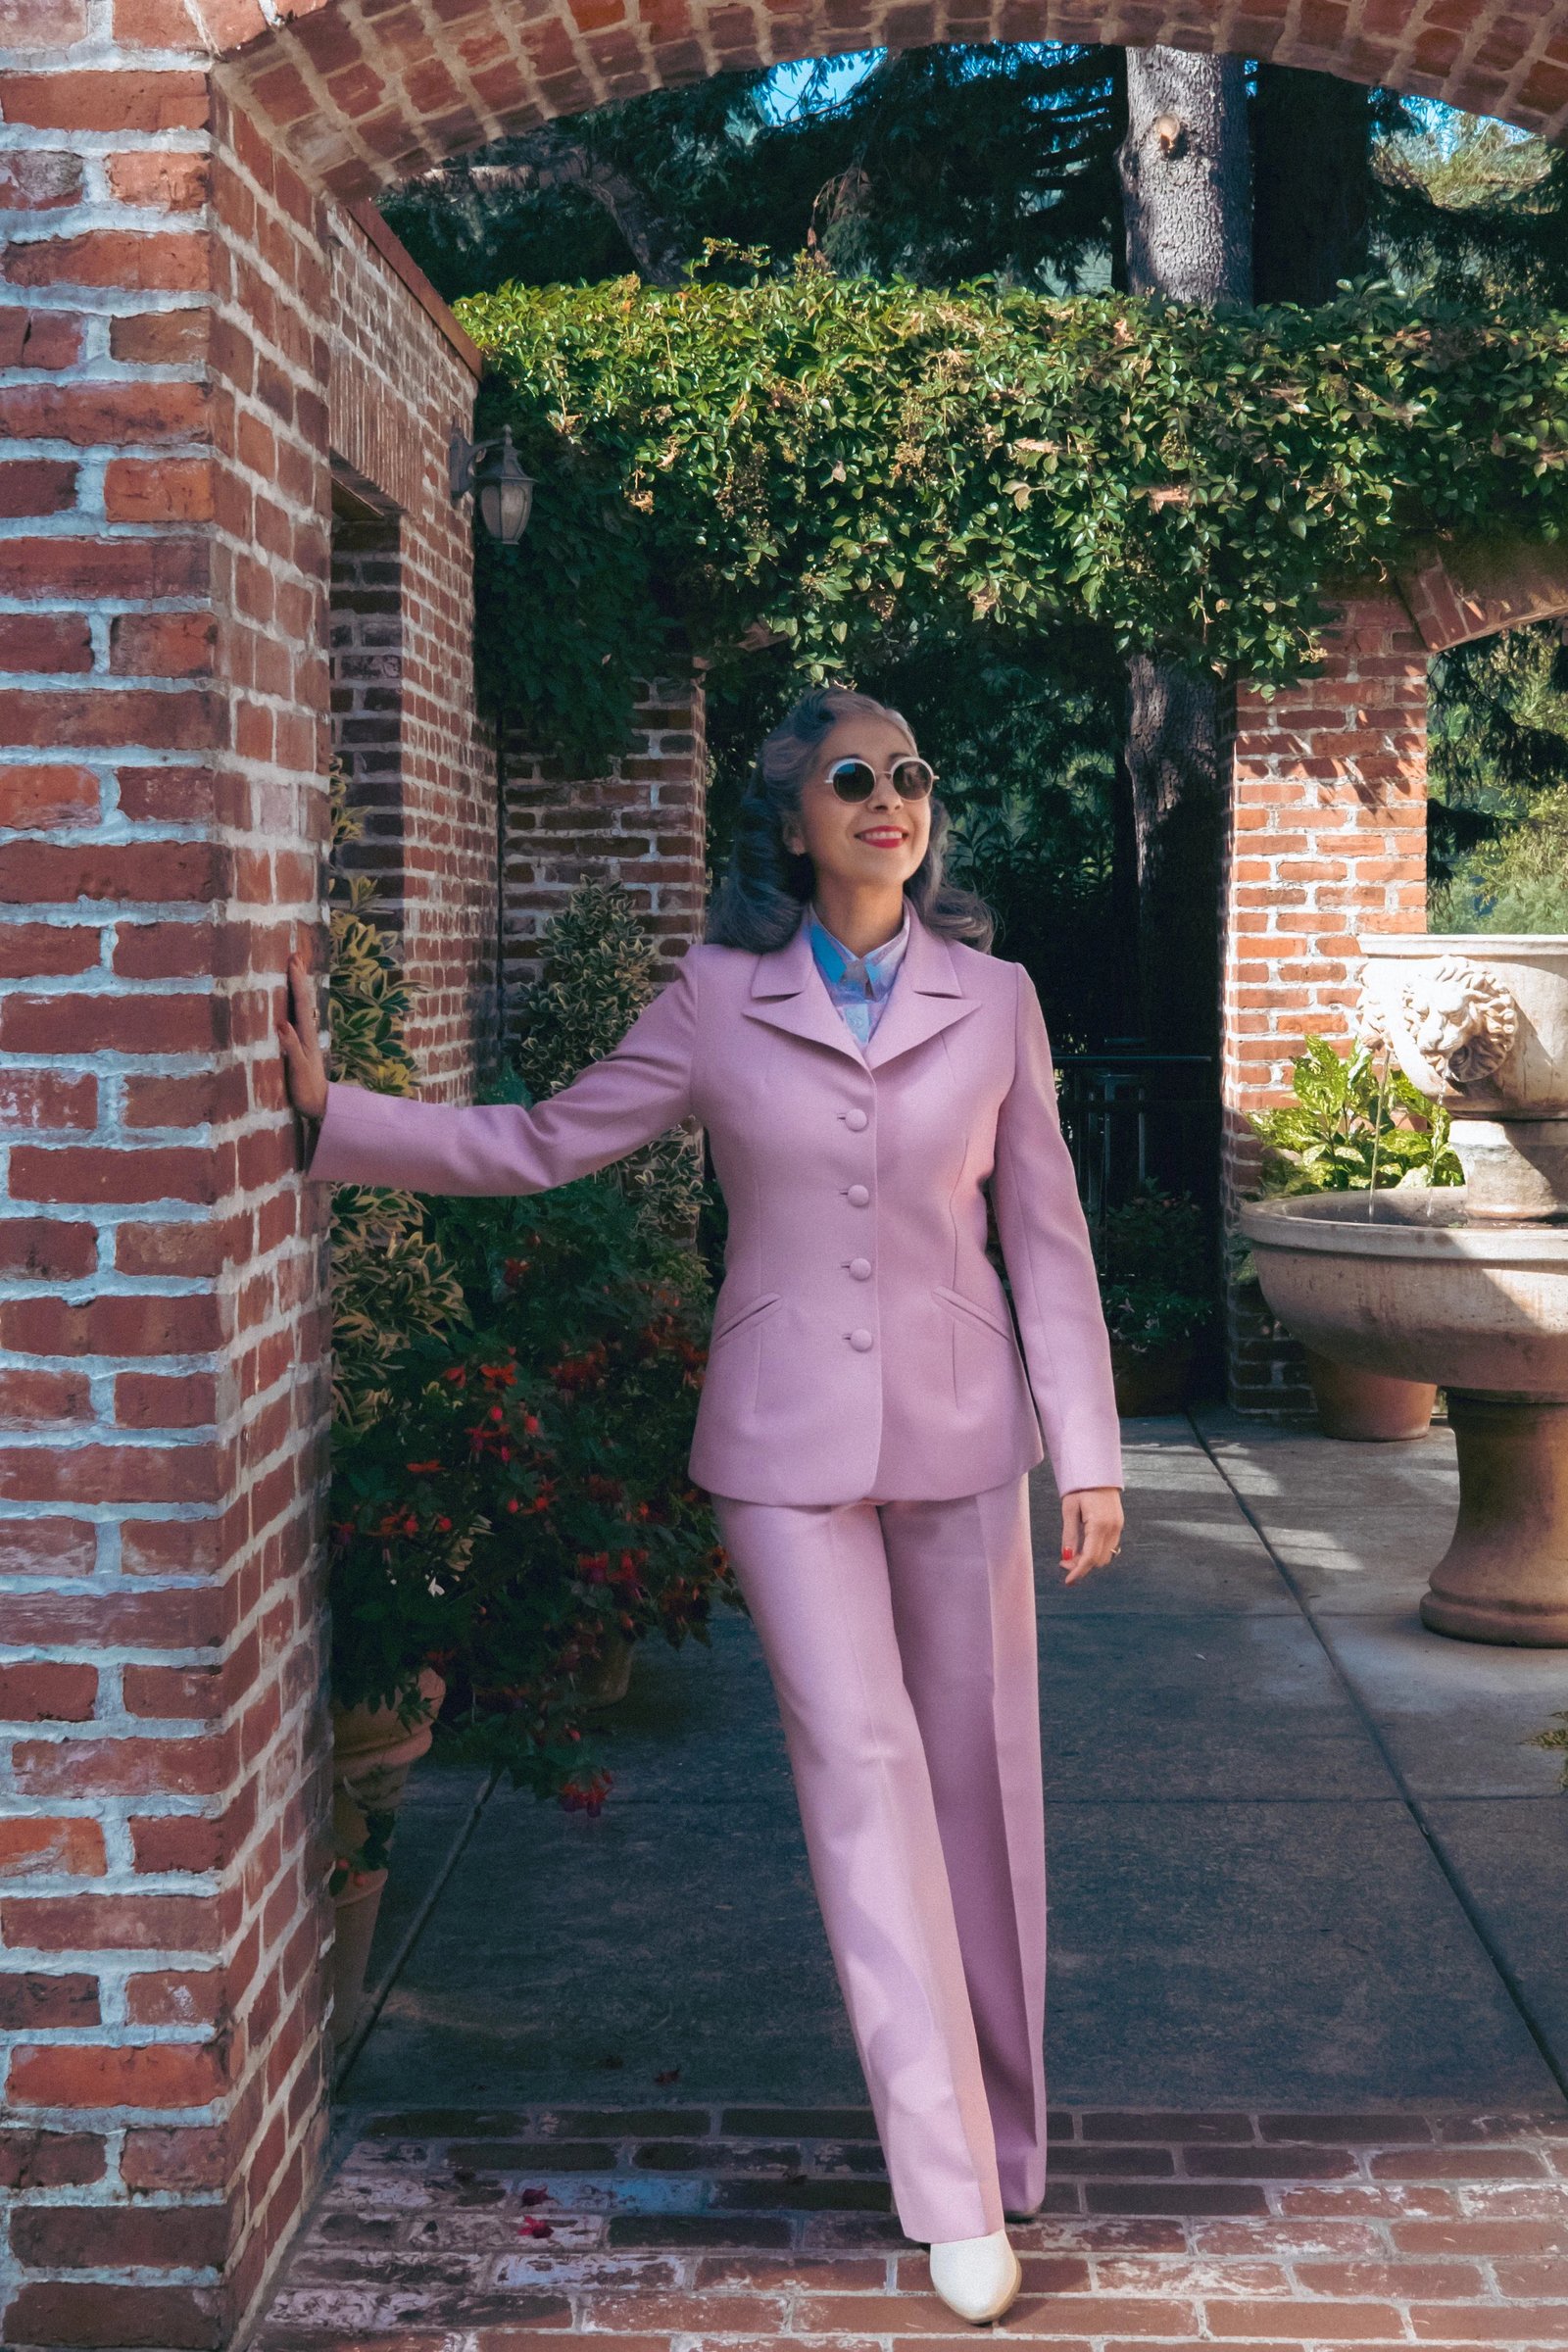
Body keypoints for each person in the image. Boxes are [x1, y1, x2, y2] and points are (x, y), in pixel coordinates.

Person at [280, 686, 1124, 2325]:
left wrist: (1085, 1448)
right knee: (865, 1776)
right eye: (854, 779)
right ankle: (951, 2185)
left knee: (980, 1784)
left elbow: (1049, 1241)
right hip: (783, 1447)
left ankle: (1008, 2137)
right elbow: (542, 1140)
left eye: (912, 777)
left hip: (965, 1436)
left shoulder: (999, 997)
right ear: (794, 820)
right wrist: (336, 1121)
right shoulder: (716, 1001)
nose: (892, 801)